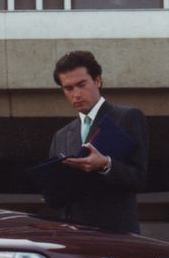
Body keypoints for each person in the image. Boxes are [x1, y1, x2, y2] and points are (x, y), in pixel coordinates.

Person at [46, 50, 148, 234]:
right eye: (68, 89)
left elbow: (140, 178)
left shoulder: (127, 117)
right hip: (75, 238)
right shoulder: (60, 136)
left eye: (81, 85)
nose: (76, 94)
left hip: (117, 234)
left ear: (98, 81)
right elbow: (54, 199)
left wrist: (106, 165)